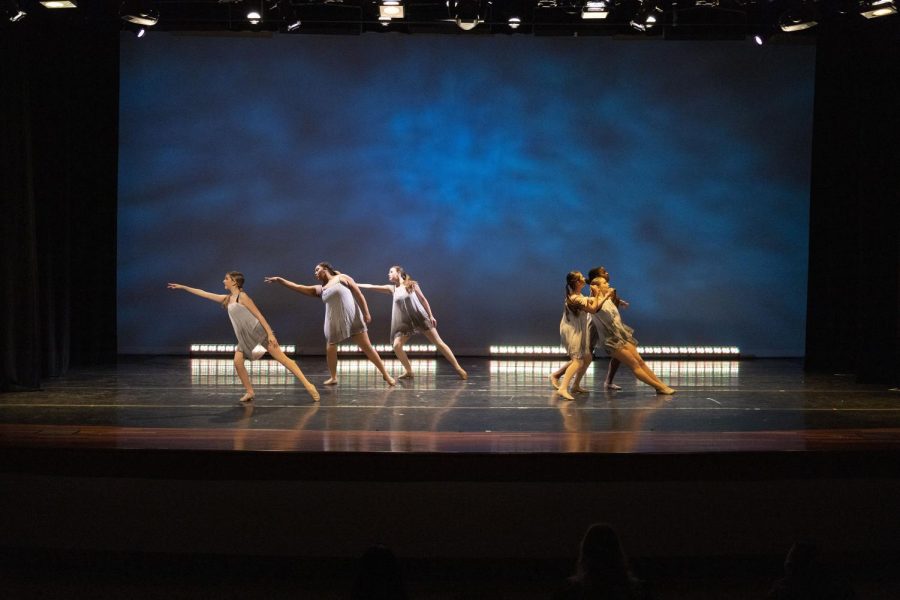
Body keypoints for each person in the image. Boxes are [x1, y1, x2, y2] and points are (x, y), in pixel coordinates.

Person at [167, 272, 319, 403]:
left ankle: (308, 385)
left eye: (226, 278)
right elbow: (203, 293)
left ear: (234, 281)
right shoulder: (226, 299)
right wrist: (183, 287)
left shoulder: (243, 296)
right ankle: (250, 392)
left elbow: (258, 314)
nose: (223, 281)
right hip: (245, 336)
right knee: (237, 362)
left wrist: (270, 333)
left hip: (258, 330)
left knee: (283, 359)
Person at [265, 263, 396, 386]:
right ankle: (333, 377)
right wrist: (280, 280)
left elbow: (358, 294)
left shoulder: (342, 278)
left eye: (317, 269)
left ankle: (385, 374)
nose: (315, 273)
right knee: (330, 349)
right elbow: (299, 287)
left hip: (352, 317)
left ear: (325, 268)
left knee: (367, 347)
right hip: (333, 321)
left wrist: (366, 313)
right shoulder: (321, 289)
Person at [356, 265, 467, 380]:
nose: (388, 274)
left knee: (439, 342)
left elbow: (423, 299)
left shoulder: (411, 284)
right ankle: (409, 371)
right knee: (396, 346)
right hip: (405, 322)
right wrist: (355, 285)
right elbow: (371, 286)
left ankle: (458, 368)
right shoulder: (392, 289)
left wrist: (431, 316)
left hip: (420, 317)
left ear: (398, 273)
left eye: (391, 272)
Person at [587, 276, 675, 395]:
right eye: (604, 283)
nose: (608, 284)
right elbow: (595, 309)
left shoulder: (607, 299)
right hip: (610, 340)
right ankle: (659, 387)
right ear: (597, 287)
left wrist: (617, 300)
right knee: (634, 364)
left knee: (640, 361)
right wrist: (603, 295)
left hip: (620, 334)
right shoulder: (592, 300)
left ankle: (661, 385)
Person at [551, 266, 628, 391]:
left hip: (602, 323)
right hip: (593, 323)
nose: (607, 273)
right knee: (581, 356)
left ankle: (576, 383)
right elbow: (595, 306)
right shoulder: (593, 288)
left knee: (586, 356)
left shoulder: (600, 288)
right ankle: (560, 379)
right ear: (597, 277)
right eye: (604, 272)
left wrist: (619, 301)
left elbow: (605, 299)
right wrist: (601, 295)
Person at [556, 271, 606, 401]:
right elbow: (593, 309)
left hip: (578, 329)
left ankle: (576, 385)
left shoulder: (578, 296)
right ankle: (563, 388)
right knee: (577, 361)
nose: (584, 278)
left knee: (588, 357)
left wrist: (599, 296)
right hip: (572, 330)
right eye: (581, 277)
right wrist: (598, 294)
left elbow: (591, 302)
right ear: (577, 282)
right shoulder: (575, 298)